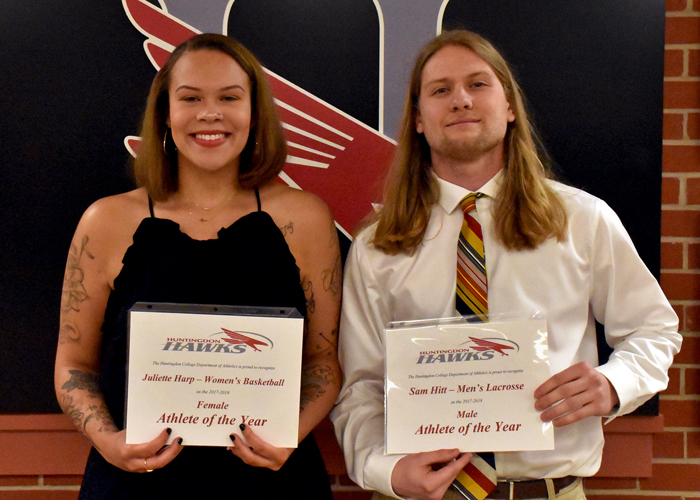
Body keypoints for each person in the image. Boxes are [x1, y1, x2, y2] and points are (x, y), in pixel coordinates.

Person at [330, 30, 681, 500]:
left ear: (510, 106)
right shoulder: (379, 244)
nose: (460, 100)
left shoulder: (581, 219)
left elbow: (653, 330)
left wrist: (616, 384)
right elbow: (361, 388)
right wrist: (384, 470)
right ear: (417, 118)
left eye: (478, 84)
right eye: (440, 90)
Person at [54, 33, 341, 499]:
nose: (211, 113)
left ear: (255, 113)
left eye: (230, 97)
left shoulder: (305, 219)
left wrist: (291, 432)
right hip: (136, 483)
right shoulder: (106, 221)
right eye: (191, 98)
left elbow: (323, 362)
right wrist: (108, 442)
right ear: (166, 113)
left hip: (273, 483)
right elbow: (74, 365)